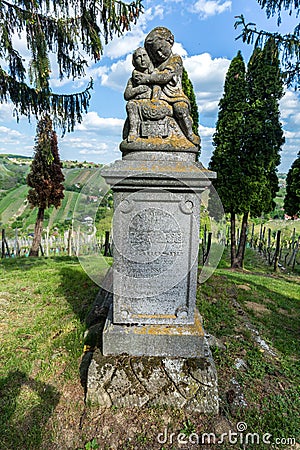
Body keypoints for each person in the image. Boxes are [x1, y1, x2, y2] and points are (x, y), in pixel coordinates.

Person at [134, 27, 200, 146]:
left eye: (160, 49)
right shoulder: (153, 64)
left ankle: (190, 134)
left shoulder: (175, 59)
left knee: (180, 109)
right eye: (155, 53)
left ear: (170, 41)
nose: (159, 54)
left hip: (174, 96)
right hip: (157, 97)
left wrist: (146, 79)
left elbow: (165, 77)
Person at [124, 47, 153, 142]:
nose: (142, 59)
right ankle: (133, 131)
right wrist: (138, 89)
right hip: (137, 106)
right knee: (130, 104)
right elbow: (127, 95)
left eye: (144, 55)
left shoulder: (154, 74)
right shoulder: (132, 80)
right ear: (134, 61)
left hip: (153, 104)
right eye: (138, 57)